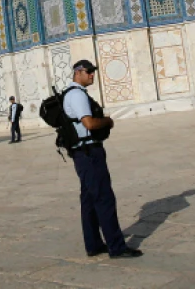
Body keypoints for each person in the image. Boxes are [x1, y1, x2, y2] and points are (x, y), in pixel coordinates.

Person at [64, 59, 142, 259]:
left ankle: (93, 244)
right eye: (88, 71)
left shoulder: (70, 94)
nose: (92, 75)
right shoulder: (77, 95)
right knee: (104, 198)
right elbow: (89, 123)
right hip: (89, 154)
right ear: (78, 72)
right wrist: (107, 121)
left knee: (89, 199)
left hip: (82, 153)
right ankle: (117, 247)